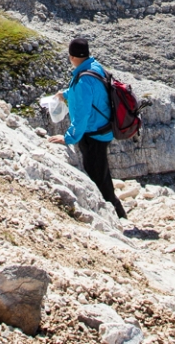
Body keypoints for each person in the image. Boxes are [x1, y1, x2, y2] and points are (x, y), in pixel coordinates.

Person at [63, 36, 127, 219]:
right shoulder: (94, 67)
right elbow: (91, 93)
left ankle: (118, 218)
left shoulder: (83, 79)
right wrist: (65, 95)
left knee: (98, 178)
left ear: (73, 57)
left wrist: (68, 138)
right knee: (102, 174)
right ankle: (117, 213)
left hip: (93, 136)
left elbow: (82, 116)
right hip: (103, 130)